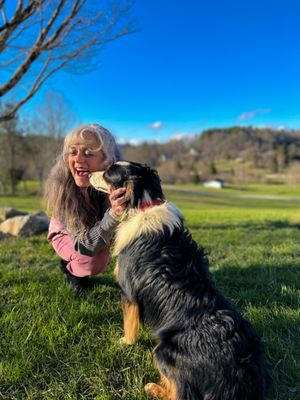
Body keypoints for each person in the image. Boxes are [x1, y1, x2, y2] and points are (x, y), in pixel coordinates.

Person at [44, 123, 126, 291]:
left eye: (88, 153)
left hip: (96, 227)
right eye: (73, 152)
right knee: (94, 260)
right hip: (69, 235)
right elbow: (86, 245)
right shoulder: (64, 189)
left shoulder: (117, 182)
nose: (78, 159)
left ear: (107, 160)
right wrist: (114, 215)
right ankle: (71, 269)